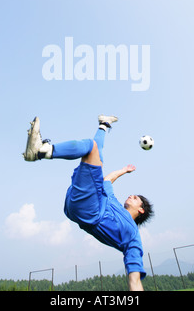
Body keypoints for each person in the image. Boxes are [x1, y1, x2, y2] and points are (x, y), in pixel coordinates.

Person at [23, 115, 154, 291]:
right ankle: (104, 124)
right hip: (76, 205)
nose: (131, 196)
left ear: (141, 211)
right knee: (95, 150)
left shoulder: (133, 237)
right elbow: (108, 180)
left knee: (92, 148)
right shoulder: (112, 201)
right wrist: (123, 170)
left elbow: (135, 278)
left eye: (136, 198)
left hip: (90, 213)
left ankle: (41, 151)